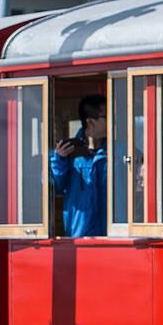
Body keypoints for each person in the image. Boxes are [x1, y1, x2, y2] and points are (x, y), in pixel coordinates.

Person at [50, 94, 108, 238]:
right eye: (107, 117)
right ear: (91, 122)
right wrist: (59, 160)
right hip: (79, 235)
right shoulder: (68, 155)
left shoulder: (120, 151)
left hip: (112, 233)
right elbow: (55, 187)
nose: (113, 121)